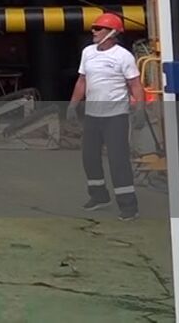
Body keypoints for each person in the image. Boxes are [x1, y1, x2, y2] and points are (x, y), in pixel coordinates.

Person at [67, 11, 144, 221]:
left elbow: (135, 84)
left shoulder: (123, 56)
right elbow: (82, 81)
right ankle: (99, 196)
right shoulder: (88, 53)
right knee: (89, 158)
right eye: (93, 27)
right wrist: (73, 106)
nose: (93, 31)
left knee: (118, 161)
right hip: (93, 116)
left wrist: (140, 109)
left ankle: (129, 207)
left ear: (111, 33)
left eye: (98, 28)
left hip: (116, 117)